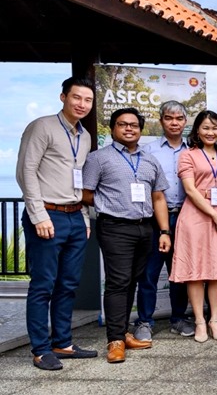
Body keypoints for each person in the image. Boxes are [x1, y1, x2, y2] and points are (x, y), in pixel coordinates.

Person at [16, 77, 97, 370]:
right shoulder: (42, 127)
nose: (82, 104)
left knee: (68, 284)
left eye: (87, 100)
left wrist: (84, 218)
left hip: (76, 216)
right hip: (47, 215)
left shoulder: (84, 136)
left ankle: (62, 343)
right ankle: (40, 349)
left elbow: (79, 181)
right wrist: (38, 215)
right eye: (77, 97)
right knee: (43, 285)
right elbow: (26, 172)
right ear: (63, 97)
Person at [82, 107, 165, 362]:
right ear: (113, 128)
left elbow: (158, 196)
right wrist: (110, 204)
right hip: (115, 227)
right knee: (118, 282)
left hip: (145, 227)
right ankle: (115, 340)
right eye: (122, 124)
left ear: (140, 130)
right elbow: (86, 192)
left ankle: (124, 331)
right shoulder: (98, 158)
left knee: (133, 280)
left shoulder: (150, 159)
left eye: (134, 125)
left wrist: (164, 231)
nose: (129, 129)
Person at [169, 110, 217, 343]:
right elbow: (190, 190)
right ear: (197, 130)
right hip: (196, 216)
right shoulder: (188, 155)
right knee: (195, 273)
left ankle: (214, 320)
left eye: (215, 128)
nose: (211, 132)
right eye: (206, 128)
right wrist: (214, 215)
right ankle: (199, 321)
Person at [135, 100, 195, 340]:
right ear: (161, 121)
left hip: (186, 216)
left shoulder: (192, 150)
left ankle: (178, 318)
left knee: (179, 273)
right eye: (169, 118)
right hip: (154, 218)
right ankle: (144, 322)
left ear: (185, 122)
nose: (174, 123)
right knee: (148, 273)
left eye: (179, 119)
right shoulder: (148, 151)